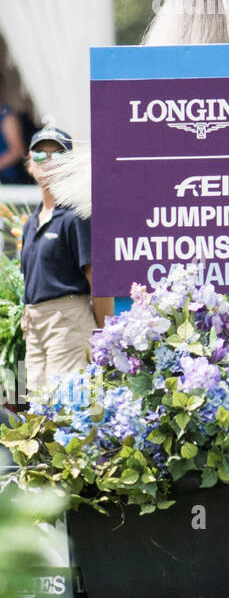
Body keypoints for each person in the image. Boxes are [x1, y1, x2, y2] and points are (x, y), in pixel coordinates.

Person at [19, 127, 104, 401]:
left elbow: (96, 279)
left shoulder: (75, 216)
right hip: (35, 324)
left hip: (67, 320)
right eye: (40, 154)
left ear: (70, 163)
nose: (48, 160)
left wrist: (104, 334)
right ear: (29, 164)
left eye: (58, 154)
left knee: (67, 403)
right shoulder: (31, 222)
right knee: (36, 404)